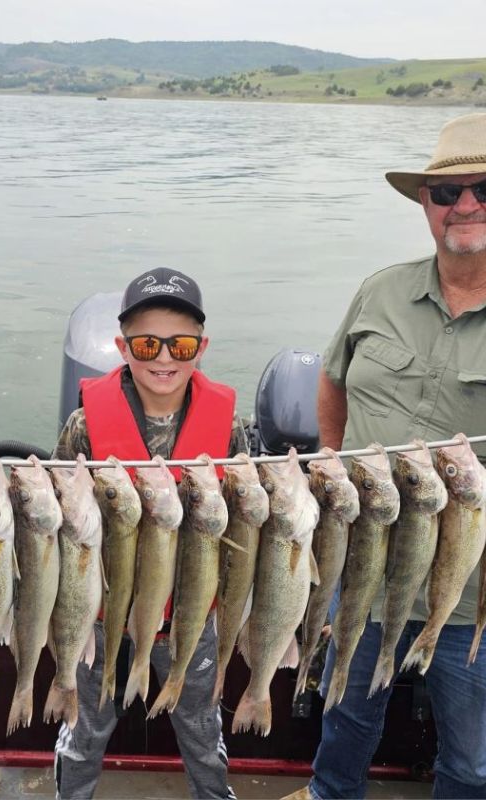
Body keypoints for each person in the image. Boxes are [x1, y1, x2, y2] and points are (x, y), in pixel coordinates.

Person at [291, 113, 486, 800]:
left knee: (473, 760)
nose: (466, 205)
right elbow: (333, 377)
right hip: (363, 564)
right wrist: (329, 454)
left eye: (484, 190)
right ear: (427, 207)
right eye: (448, 192)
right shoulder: (380, 290)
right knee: (346, 720)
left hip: (470, 594)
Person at [53, 266, 245, 800]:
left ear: (200, 348)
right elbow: (61, 517)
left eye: (180, 345)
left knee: (202, 728)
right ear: (122, 346)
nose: (163, 358)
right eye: (147, 344)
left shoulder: (229, 427)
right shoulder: (84, 426)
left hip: (190, 611)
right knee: (85, 729)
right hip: (100, 612)